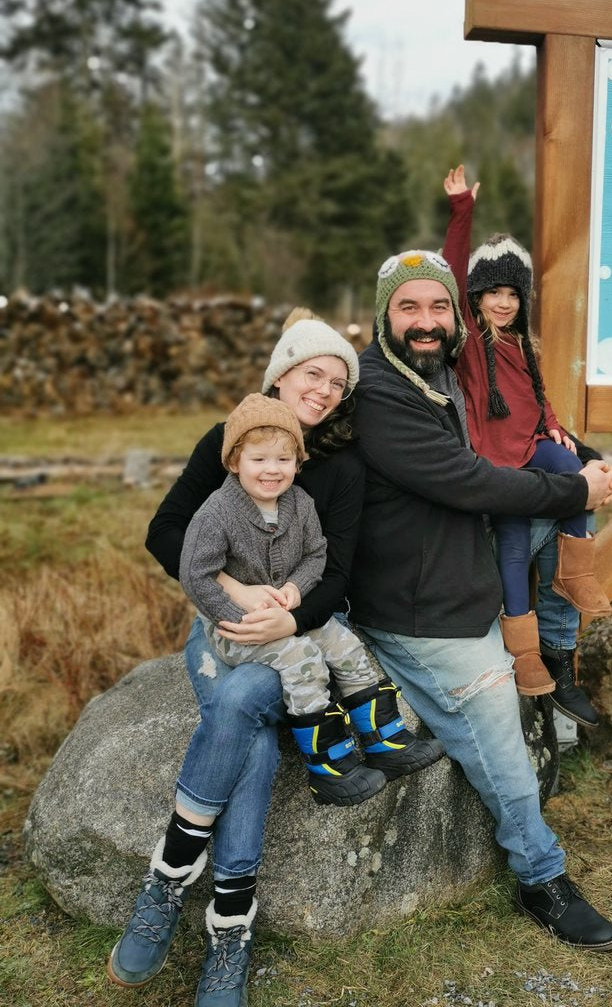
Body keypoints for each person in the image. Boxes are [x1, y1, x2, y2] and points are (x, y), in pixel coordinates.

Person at [107, 310, 442, 1006]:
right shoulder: (226, 444)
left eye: (336, 382)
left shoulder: (341, 471)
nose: (322, 390)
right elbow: (165, 530)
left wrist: (288, 612)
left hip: (302, 629)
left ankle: (171, 877)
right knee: (248, 722)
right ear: (281, 372)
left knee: (238, 707)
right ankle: (230, 921)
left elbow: (337, 574)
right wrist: (236, 598)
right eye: (311, 373)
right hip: (224, 623)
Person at [348, 246, 612, 951]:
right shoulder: (381, 391)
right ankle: (541, 873)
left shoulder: (446, 375)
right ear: (384, 314)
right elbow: (466, 480)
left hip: (462, 578)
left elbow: (521, 435)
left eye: (438, 305)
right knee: (497, 717)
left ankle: (555, 655)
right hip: (421, 610)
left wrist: (581, 458)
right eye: (409, 306)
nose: (426, 320)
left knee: (544, 530)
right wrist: (575, 490)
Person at [180, 391, 427, 807]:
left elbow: (316, 554)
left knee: (344, 644)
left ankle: (385, 741)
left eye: (283, 459)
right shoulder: (216, 513)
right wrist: (236, 615)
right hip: (237, 629)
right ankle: (328, 766)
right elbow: (194, 574)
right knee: (302, 660)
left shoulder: (300, 503)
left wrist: (296, 586)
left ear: (298, 461)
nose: (271, 471)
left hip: (288, 609)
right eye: (259, 460)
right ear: (234, 461)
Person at [442, 165, 606, 727]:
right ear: (476, 298)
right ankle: (526, 652)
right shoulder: (468, 341)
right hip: (497, 466)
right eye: (493, 293)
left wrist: (558, 429)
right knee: (513, 547)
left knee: (574, 476)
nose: (503, 303)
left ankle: (577, 571)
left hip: (535, 449)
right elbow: (451, 271)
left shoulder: (522, 344)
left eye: (513, 293)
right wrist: (462, 211)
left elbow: (538, 401)